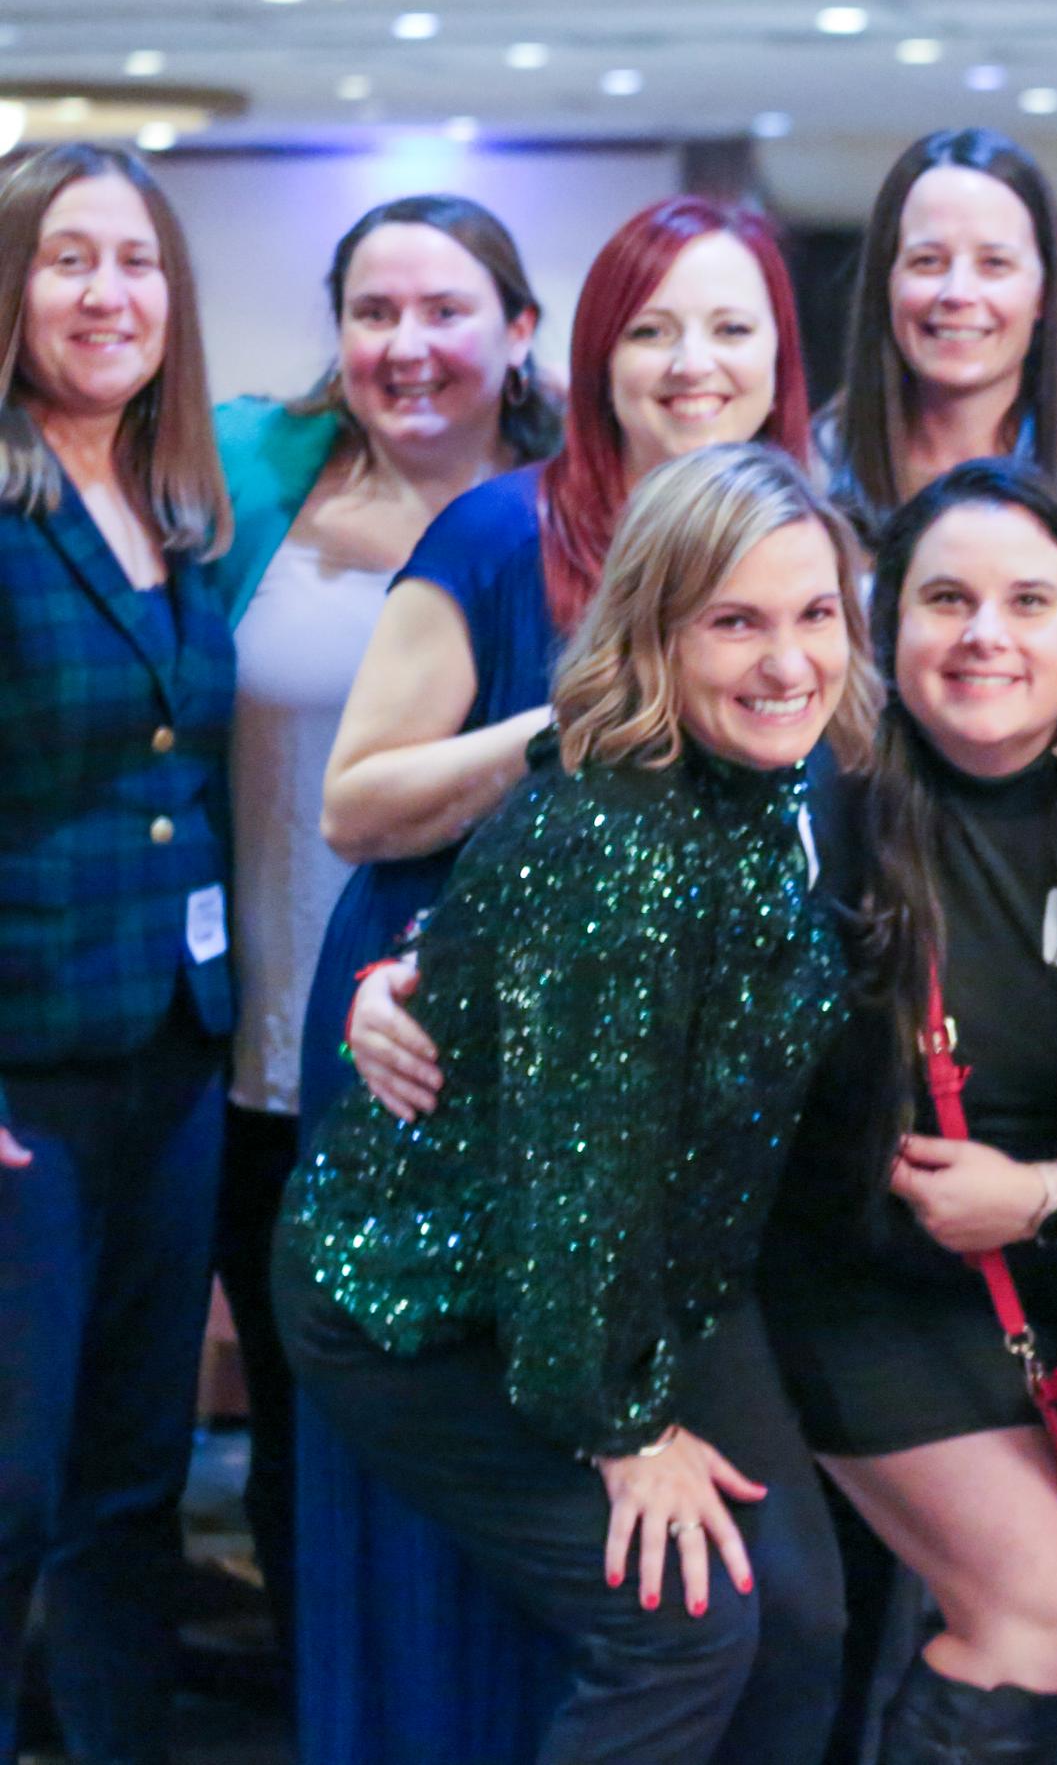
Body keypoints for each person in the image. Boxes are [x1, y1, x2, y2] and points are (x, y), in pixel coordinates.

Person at [349, 458, 1057, 1762]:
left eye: (1029, 600)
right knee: (1035, 1595)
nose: (986, 635)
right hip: (858, 1277)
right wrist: (408, 983)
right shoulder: (815, 780)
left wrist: (1052, 1193)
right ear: (886, 622)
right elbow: (585, 910)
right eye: (946, 599)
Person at [293, 192, 813, 1765]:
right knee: (642, 1608)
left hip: (693, 1158)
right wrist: (601, 718)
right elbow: (357, 808)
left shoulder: (811, 533)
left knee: (761, 1609)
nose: (691, 360)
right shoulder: (507, 538)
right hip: (496, 1136)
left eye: (729, 325)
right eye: (650, 327)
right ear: (585, 353)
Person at [207, 191, 559, 1657]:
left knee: (481, 1436)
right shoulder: (251, 486)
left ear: (520, 331)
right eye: (373, 313)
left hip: (480, 1067)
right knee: (298, 1426)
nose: (407, 345)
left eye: (445, 311)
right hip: (253, 1051)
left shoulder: (569, 514)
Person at [0, 140, 233, 1765]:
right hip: (21, 1068)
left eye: (137, 261)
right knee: (12, 1483)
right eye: (66, 258)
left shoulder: (179, 505)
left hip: (172, 1048)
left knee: (132, 1480)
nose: (107, 294)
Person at [817, 127, 1057, 583]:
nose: (957, 292)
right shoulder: (817, 461)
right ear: (887, 283)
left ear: (1044, 292)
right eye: (928, 261)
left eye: (994, 264)